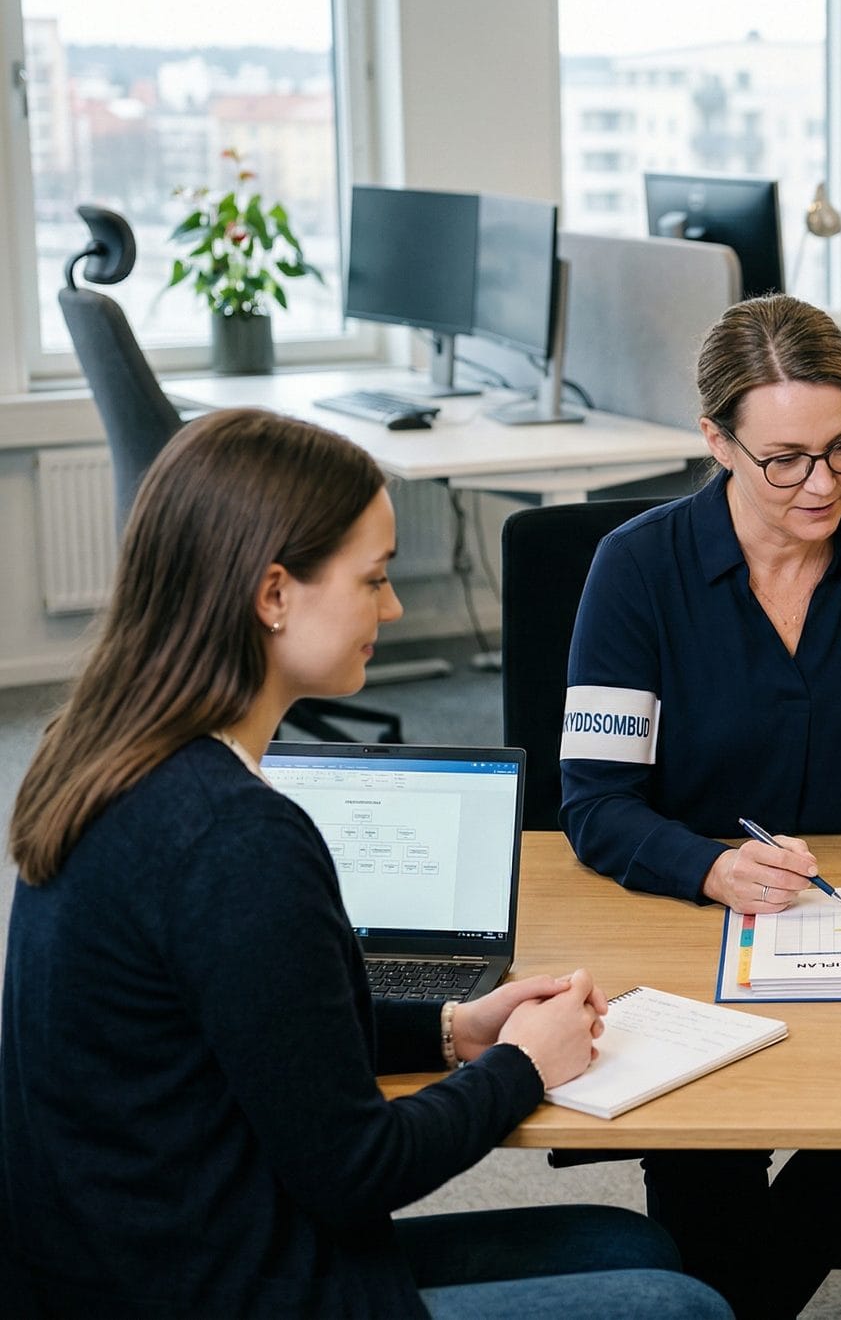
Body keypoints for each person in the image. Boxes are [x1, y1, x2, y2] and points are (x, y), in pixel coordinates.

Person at [0, 410, 726, 1320]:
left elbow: (260, 1028)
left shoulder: (104, 755)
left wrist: (452, 1029)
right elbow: (357, 1170)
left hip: (130, 1254)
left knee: (632, 1246)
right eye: (374, 578)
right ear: (274, 593)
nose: (393, 609)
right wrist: (521, 1067)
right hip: (215, 1289)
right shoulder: (238, 839)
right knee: (681, 1308)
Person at [560, 294, 841, 1318]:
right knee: (710, 1158)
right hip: (688, 936)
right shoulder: (637, 569)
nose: (824, 483)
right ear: (716, 441)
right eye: (785, 460)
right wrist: (710, 865)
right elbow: (595, 804)